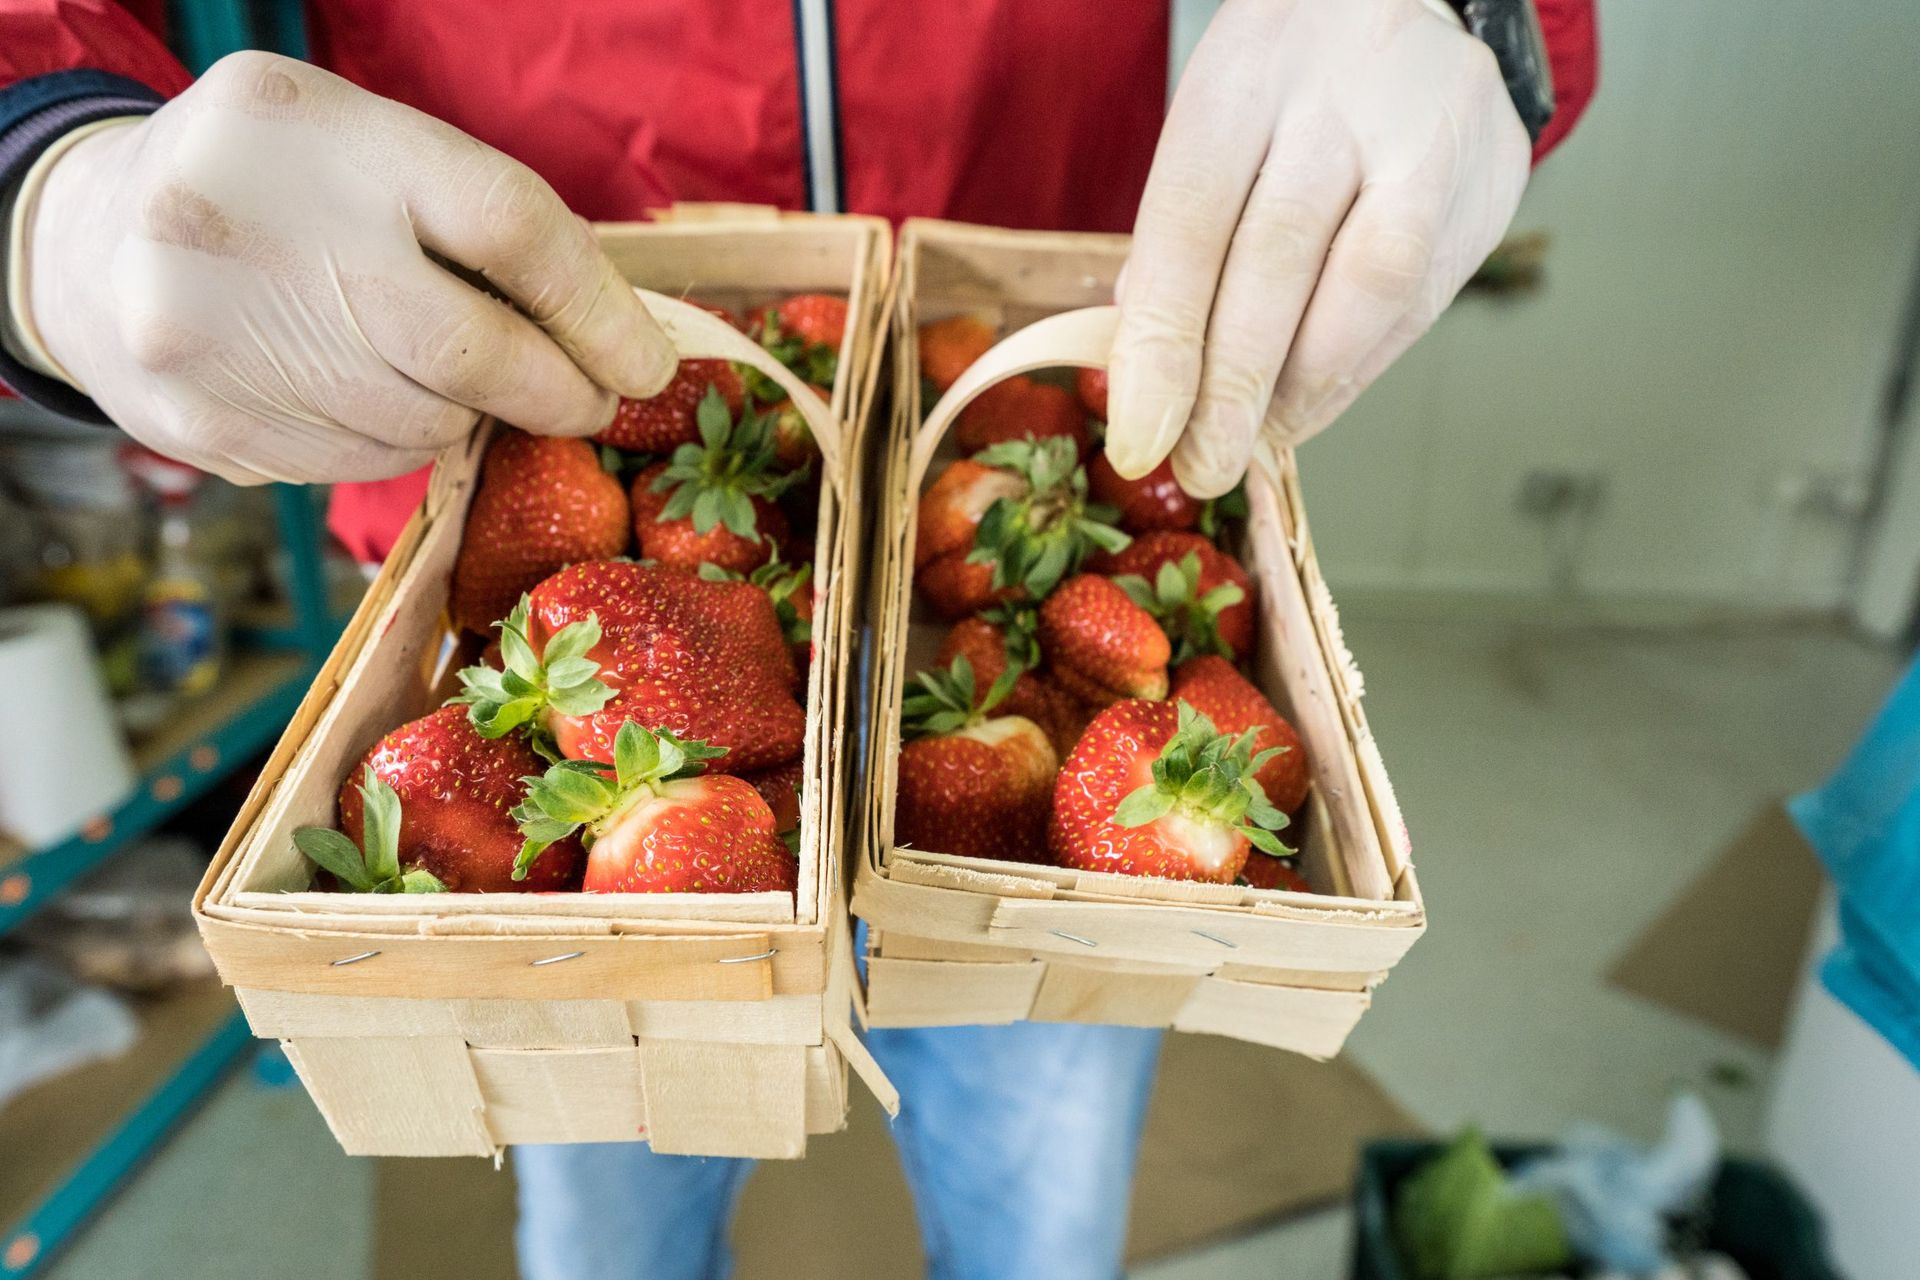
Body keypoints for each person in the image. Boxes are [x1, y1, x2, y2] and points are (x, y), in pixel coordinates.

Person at [0, 2, 1596, 1277]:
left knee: (1038, 1220)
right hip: (519, 380)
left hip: (1033, 381)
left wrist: (1474, 17)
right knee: (608, 1231)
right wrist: (47, 182)